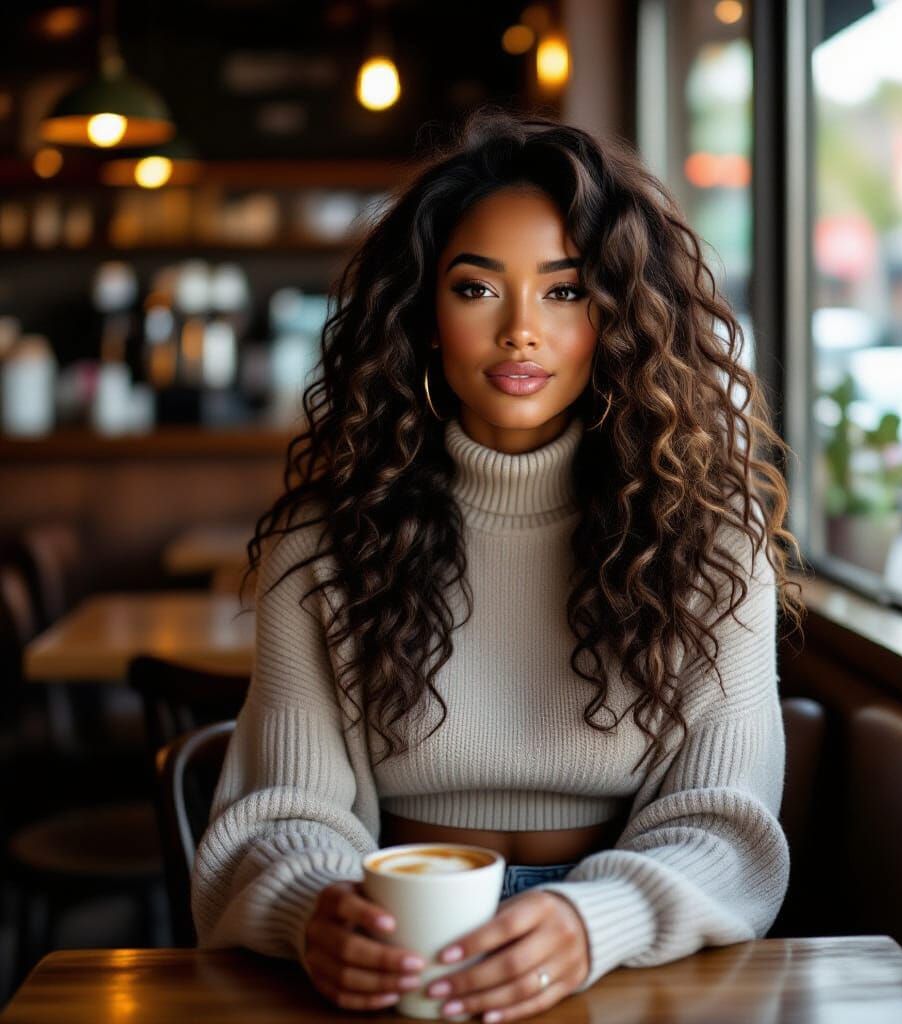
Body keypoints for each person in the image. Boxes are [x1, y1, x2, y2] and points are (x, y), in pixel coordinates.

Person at [191, 107, 805, 1023]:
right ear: (423, 314)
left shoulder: (712, 545)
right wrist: (311, 907)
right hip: (392, 947)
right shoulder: (319, 547)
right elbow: (281, 814)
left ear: (621, 318)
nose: (522, 329)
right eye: (478, 289)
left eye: (565, 292)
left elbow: (726, 823)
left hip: (630, 955)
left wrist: (598, 917)